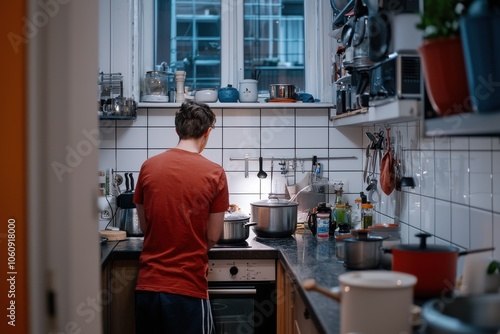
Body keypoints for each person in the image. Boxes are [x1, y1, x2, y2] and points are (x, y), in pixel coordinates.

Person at [133, 100, 229, 334]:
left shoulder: (148, 167)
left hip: (148, 287)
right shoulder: (215, 173)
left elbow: (146, 227)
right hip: (187, 289)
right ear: (207, 133)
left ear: (177, 130)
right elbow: (213, 236)